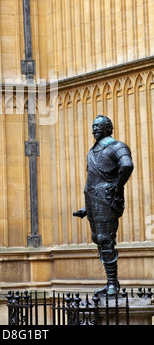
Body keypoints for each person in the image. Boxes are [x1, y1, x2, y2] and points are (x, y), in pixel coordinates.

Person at [73, 115, 134, 295]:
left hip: (105, 199)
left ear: (108, 127)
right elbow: (93, 177)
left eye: (98, 126)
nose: (94, 130)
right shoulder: (92, 151)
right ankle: (110, 282)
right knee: (98, 239)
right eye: (93, 127)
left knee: (105, 239)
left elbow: (127, 165)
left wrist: (116, 186)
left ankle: (113, 284)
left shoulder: (117, 146)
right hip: (93, 201)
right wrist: (87, 207)